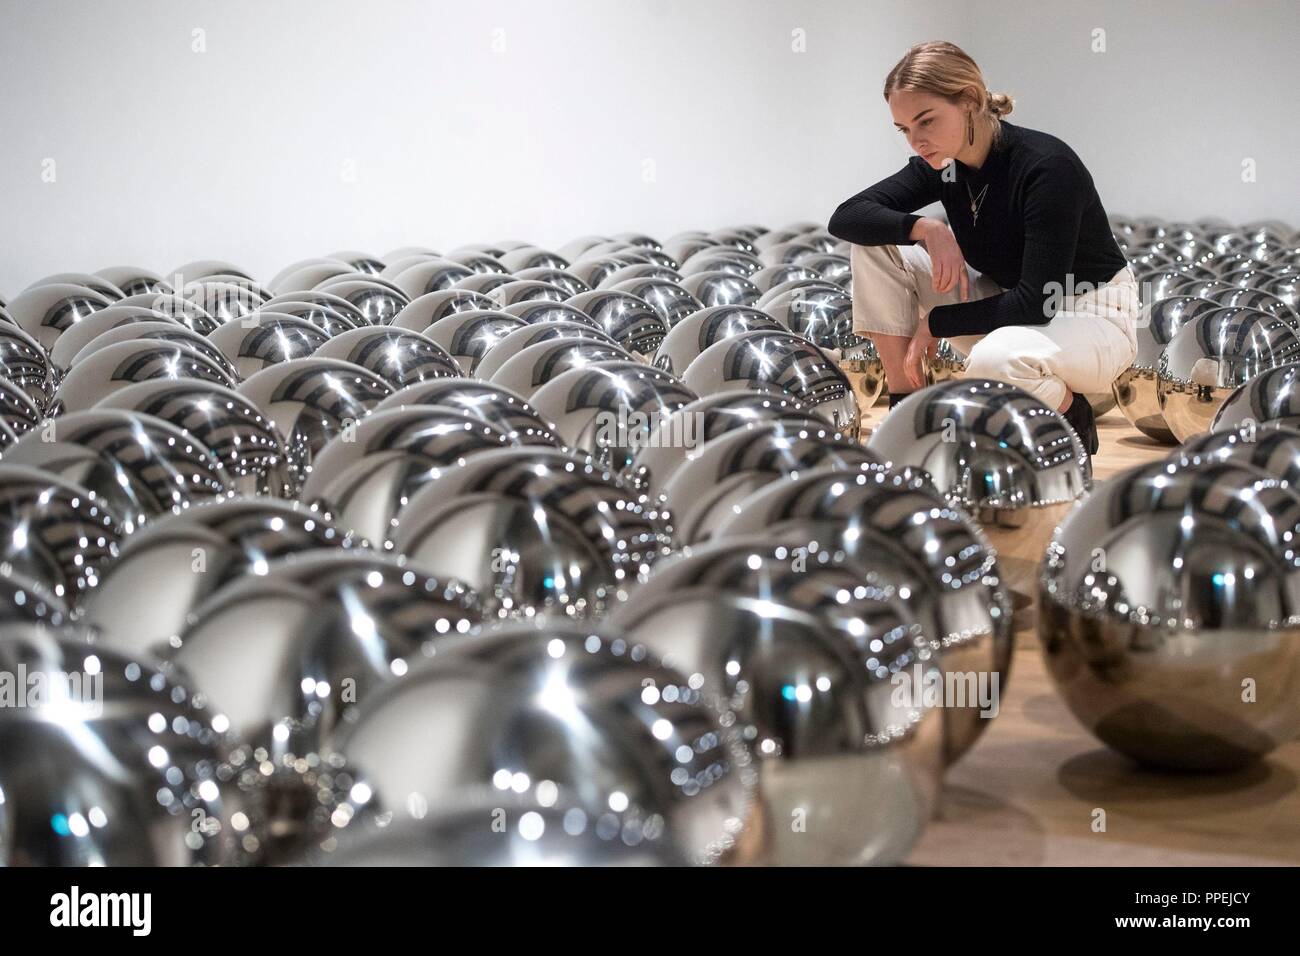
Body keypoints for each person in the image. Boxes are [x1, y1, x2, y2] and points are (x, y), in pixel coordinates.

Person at [827, 40, 1139, 455]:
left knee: (995, 361)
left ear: (970, 100)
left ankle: (1071, 413)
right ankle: (906, 408)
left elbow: (1035, 305)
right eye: (905, 129)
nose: (915, 141)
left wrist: (935, 321)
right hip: (1008, 306)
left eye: (927, 121)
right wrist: (928, 230)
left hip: (1090, 314)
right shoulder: (945, 165)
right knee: (873, 246)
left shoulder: (1046, 166)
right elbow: (847, 217)